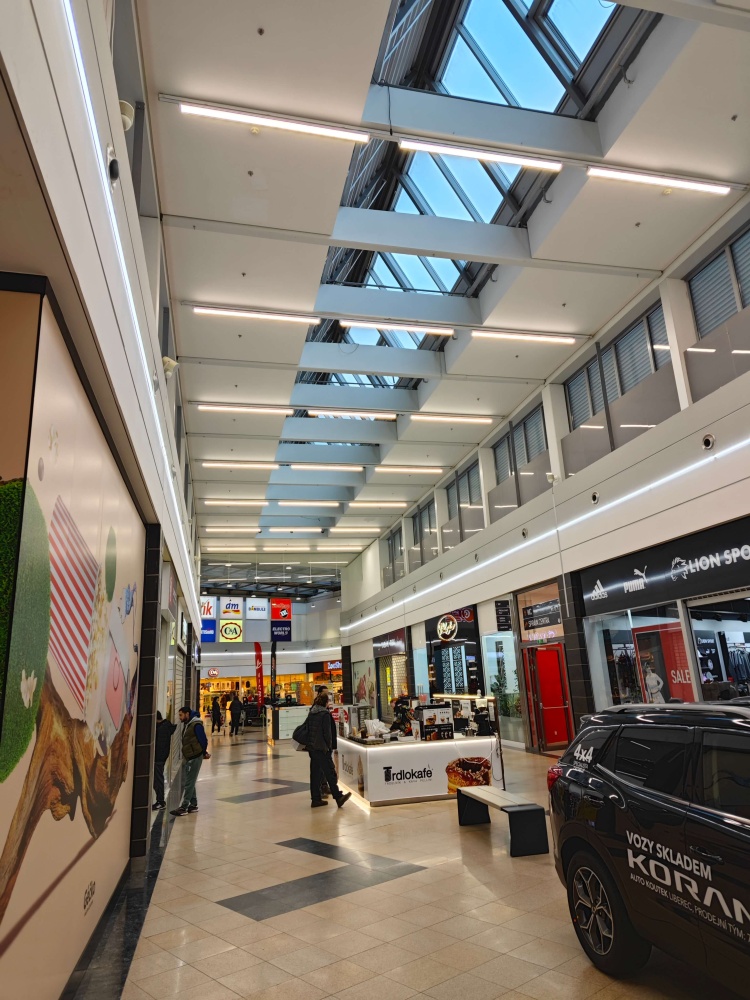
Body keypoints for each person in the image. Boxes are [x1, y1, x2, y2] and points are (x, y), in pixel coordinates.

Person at [306, 692, 350, 809]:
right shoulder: (324, 714)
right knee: (330, 773)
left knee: (315, 774)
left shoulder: (312, 712)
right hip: (322, 748)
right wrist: (329, 746)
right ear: (325, 702)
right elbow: (327, 733)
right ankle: (338, 797)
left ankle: (315, 799)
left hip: (312, 748)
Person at [170, 706, 210, 817]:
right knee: (190, 780)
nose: (180, 717)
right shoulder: (189, 724)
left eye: (181, 715)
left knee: (189, 782)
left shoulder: (196, 725)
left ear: (187, 714)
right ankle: (193, 805)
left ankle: (184, 807)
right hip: (190, 756)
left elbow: (203, 740)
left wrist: (203, 752)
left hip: (195, 756)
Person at [153, 711, 176, 810]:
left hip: (158, 758)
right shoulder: (164, 726)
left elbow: (159, 746)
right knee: (157, 779)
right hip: (160, 758)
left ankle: (160, 802)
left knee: (158, 780)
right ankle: (160, 800)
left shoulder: (162, 729)